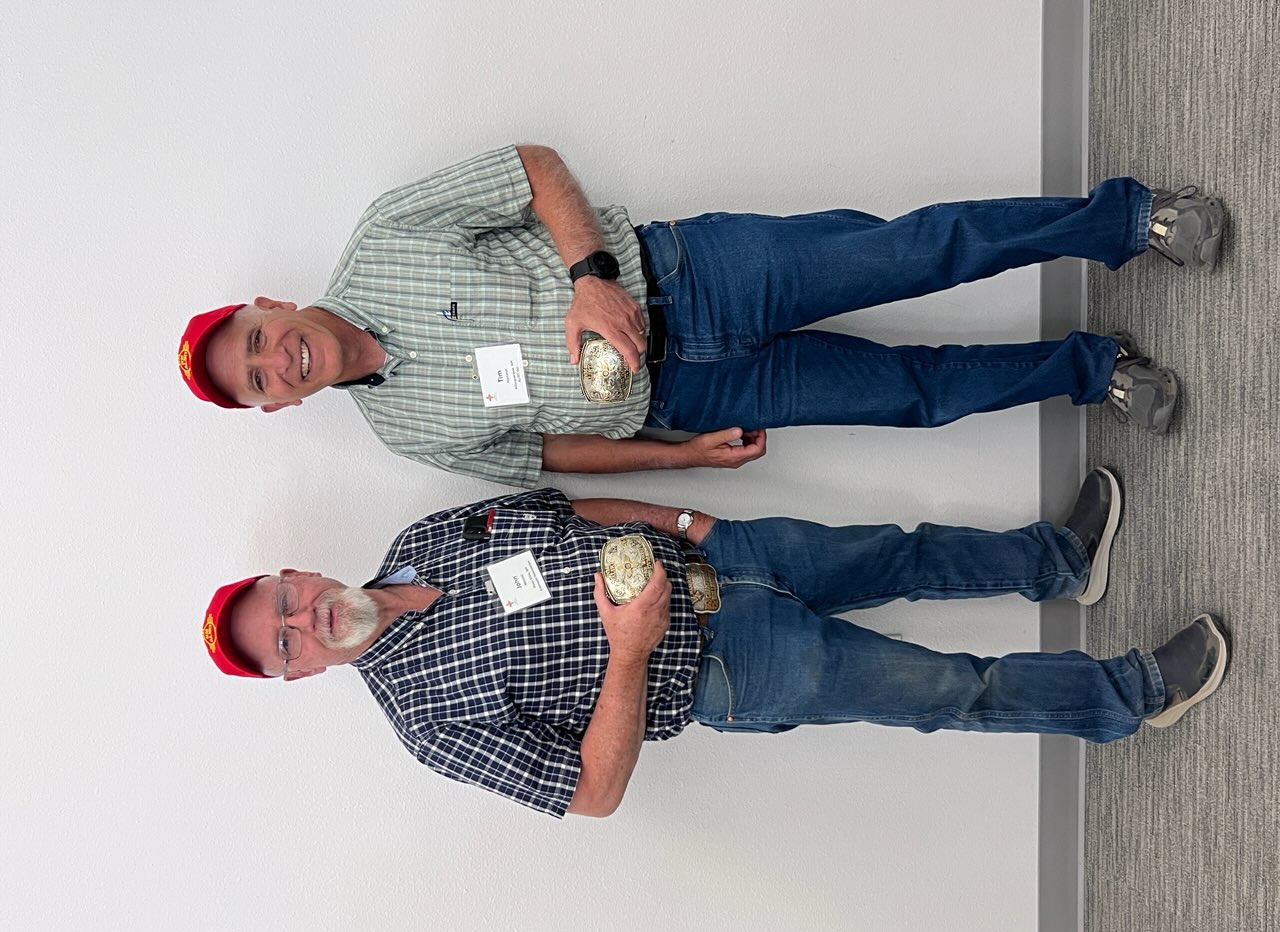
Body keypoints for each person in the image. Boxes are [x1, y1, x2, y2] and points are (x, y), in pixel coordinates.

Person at [200, 468, 1229, 818]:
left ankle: (1053, 562)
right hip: (728, 669)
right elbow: (592, 791)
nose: (302, 622)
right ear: (301, 673)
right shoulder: (423, 725)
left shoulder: (417, 539)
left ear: (294, 573)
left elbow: (563, 506)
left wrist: (689, 521)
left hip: (726, 557)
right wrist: (631, 649)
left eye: (281, 604)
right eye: (285, 646)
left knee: (900, 551)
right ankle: (1127, 698)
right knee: (944, 687)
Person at [178, 145, 1226, 488]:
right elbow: (547, 452)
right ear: (277, 405)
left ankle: (1128, 219)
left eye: (259, 341)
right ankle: (1094, 369)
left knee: (919, 250)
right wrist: (677, 457)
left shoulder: (384, 236)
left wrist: (589, 277)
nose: (279, 360)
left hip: (695, 275)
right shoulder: (402, 430)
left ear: (271, 308)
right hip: (688, 393)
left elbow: (532, 168)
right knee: (912, 397)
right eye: (261, 379)